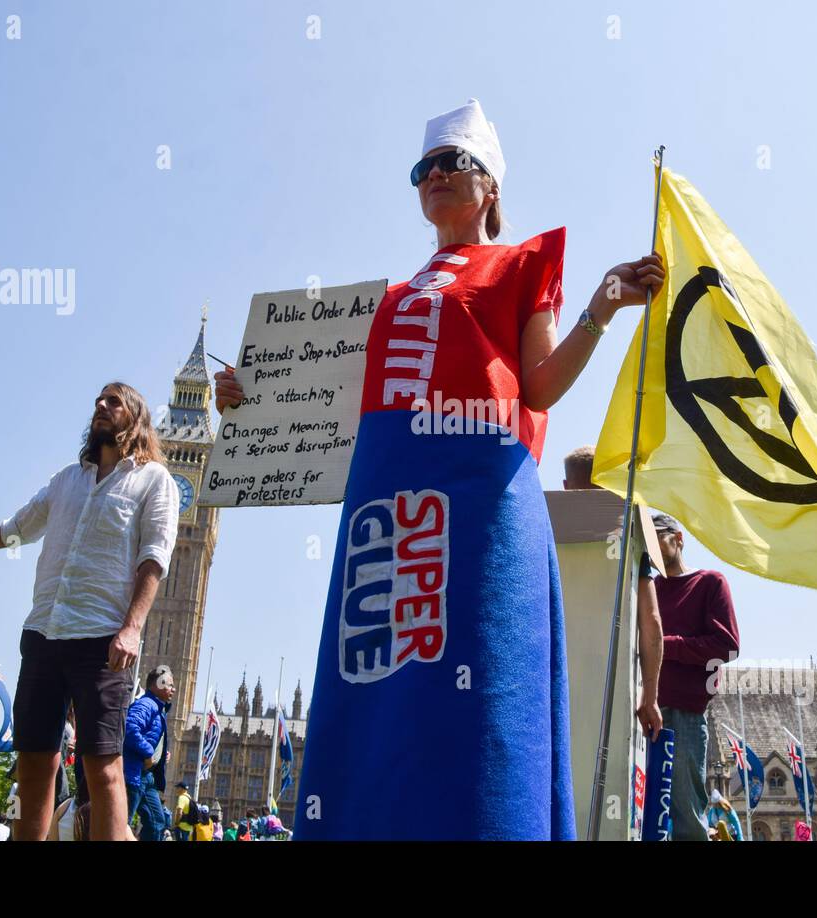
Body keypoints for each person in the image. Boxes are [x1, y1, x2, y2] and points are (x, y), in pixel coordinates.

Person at [214, 99, 663, 840]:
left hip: (481, 515)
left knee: (482, 704)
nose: (437, 177)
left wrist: (603, 304)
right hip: (385, 524)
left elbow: (540, 382)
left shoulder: (520, 265)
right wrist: (247, 400)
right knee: (381, 699)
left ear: (490, 187)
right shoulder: (381, 300)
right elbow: (328, 408)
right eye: (424, 168)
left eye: (455, 163)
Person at [0, 383, 178, 841]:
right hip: (44, 633)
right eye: (98, 401)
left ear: (135, 418)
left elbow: (155, 556)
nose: (100, 406)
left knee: (103, 767)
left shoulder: (153, 479)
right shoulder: (66, 480)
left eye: (113, 402)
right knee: (34, 764)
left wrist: (133, 628)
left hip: (102, 639)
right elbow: (12, 531)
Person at [642, 513, 740, 841]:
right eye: (648, 538)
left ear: (679, 538)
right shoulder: (645, 588)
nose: (653, 544)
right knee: (643, 814)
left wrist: (661, 646)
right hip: (642, 712)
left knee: (686, 815)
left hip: (684, 715)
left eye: (660, 536)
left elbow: (726, 646)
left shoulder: (709, 583)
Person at [562, 445, 665, 745]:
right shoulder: (631, 539)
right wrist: (650, 696)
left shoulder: (543, 530)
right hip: (617, 689)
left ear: (566, 486)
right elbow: (652, 622)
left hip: (557, 688)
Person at [123, 665, 174, 841]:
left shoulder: (159, 709)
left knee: (157, 823)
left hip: (147, 777)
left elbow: (150, 736)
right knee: (122, 822)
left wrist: (161, 755)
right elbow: (129, 728)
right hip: (134, 774)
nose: (173, 689)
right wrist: (147, 753)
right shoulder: (147, 704)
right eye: (169, 685)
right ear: (157, 685)